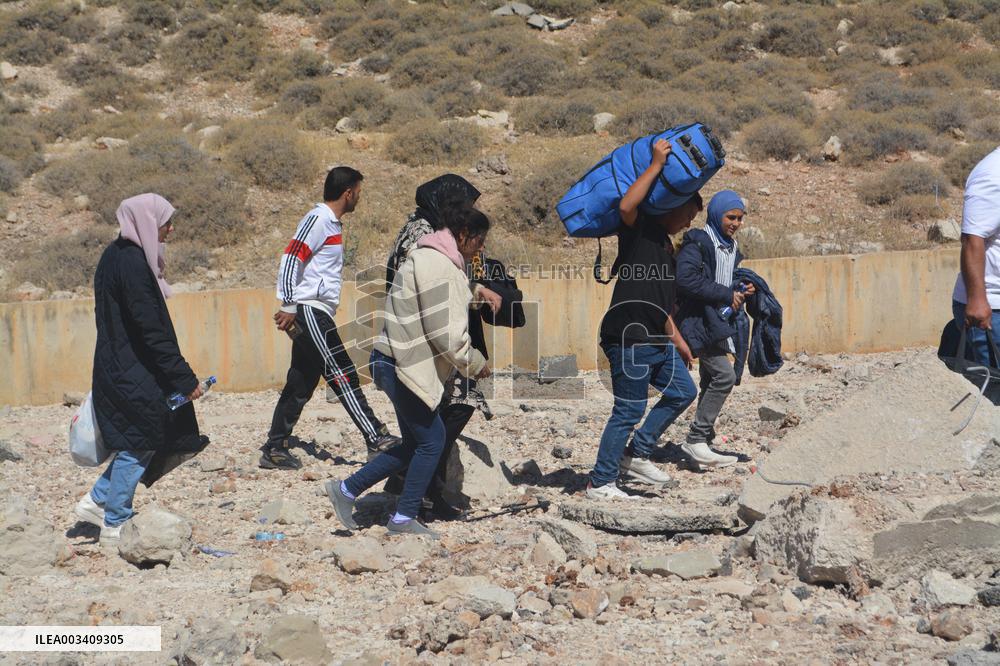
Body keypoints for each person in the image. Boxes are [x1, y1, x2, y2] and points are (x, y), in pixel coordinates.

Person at [326, 205, 492, 538]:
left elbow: (431, 301)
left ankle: (346, 490)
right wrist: (476, 363)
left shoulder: (428, 257)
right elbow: (447, 333)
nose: (481, 248)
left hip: (391, 359)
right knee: (432, 442)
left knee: (418, 443)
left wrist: (473, 292)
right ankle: (402, 518)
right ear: (463, 235)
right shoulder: (442, 267)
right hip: (404, 366)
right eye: (479, 240)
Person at [74, 193, 206, 546]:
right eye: (165, 222)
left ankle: (95, 501)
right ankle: (115, 520)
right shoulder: (132, 264)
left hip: (119, 364)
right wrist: (184, 378)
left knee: (140, 438)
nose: (170, 229)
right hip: (133, 369)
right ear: (148, 222)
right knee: (141, 439)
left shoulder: (114, 256)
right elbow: (151, 329)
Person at [382, 174, 503, 521]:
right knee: (443, 420)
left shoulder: (436, 233)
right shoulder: (424, 234)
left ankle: (419, 491)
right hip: (424, 343)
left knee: (439, 422)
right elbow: (432, 290)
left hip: (432, 339)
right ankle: (414, 491)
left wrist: (476, 289)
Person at [263, 167, 399, 470]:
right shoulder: (318, 220)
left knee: (302, 380)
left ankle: (275, 447)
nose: (359, 198)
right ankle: (376, 437)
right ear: (348, 192)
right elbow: (290, 258)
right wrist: (288, 303)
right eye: (359, 192)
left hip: (315, 309)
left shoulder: (331, 223)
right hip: (309, 310)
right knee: (342, 372)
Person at [589, 139, 700, 501]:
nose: (687, 223)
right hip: (629, 336)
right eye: (687, 214)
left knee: (684, 391)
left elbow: (662, 306)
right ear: (671, 208)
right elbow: (626, 205)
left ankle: (636, 454)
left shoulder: (667, 250)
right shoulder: (642, 233)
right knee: (629, 409)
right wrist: (655, 164)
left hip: (656, 339)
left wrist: (678, 340)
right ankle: (601, 482)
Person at [675, 190, 756, 469]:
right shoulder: (698, 242)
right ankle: (696, 439)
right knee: (724, 376)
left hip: (720, 322)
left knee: (711, 380)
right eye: (730, 217)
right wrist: (724, 294)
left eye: (740, 218)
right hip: (699, 322)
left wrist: (741, 289)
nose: (735, 223)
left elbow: (724, 281)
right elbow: (685, 280)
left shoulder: (730, 247)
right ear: (716, 214)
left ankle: (704, 437)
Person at [952, 146, 1000, 363]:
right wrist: (977, 300)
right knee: (992, 389)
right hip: (992, 310)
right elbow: (972, 239)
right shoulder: (992, 174)